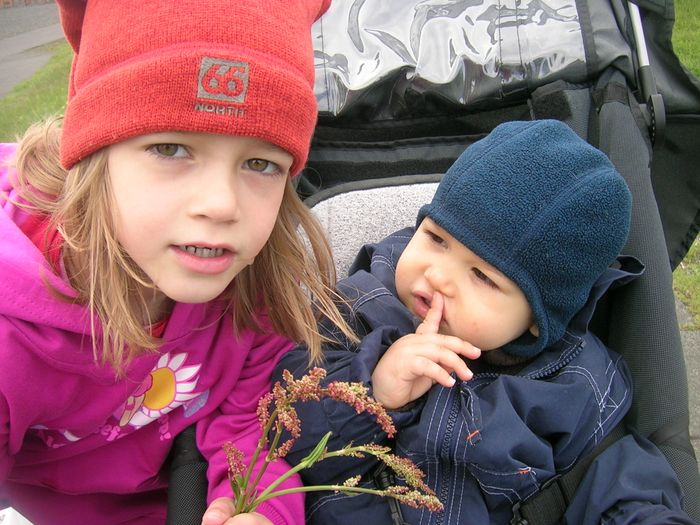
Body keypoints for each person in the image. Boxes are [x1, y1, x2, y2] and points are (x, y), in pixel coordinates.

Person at [0, 1, 354, 524]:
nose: (222, 204)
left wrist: (260, 506)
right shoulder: (13, 337)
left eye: (261, 163)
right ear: (91, 154)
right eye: (170, 148)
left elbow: (247, 422)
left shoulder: (250, 287)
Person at [275, 120, 696, 524]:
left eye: (482, 276)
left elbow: (622, 482)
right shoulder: (357, 311)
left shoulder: (576, 388)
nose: (437, 275)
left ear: (536, 321)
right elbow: (280, 433)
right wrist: (375, 394)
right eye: (436, 238)